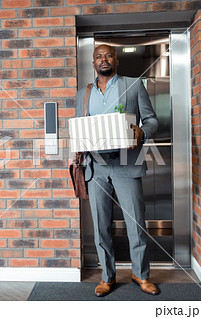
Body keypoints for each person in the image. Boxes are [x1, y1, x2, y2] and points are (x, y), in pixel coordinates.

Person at [75, 44, 160, 297]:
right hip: (96, 167)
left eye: (108, 55)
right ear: (93, 63)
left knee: (136, 222)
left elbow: (152, 120)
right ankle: (107, 276)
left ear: (116, 60)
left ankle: (141, 275)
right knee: (101, 226)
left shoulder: (133, 85)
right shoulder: (84, 93)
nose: (104, 59)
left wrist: (142, 131)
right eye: (98, 56)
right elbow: (81, 127)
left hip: (126, 163)